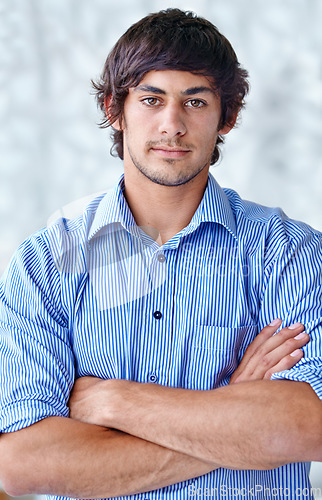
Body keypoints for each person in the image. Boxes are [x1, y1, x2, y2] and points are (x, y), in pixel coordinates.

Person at [0, 8, 321, 500]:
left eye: (195, 101)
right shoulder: (47, 261)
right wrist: (233, 413)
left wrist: (111, 400)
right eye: (152, 99)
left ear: (227, 117)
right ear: (114, 107)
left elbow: (308, 427)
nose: (172, 124)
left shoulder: (288, 252)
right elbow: (23, 464)